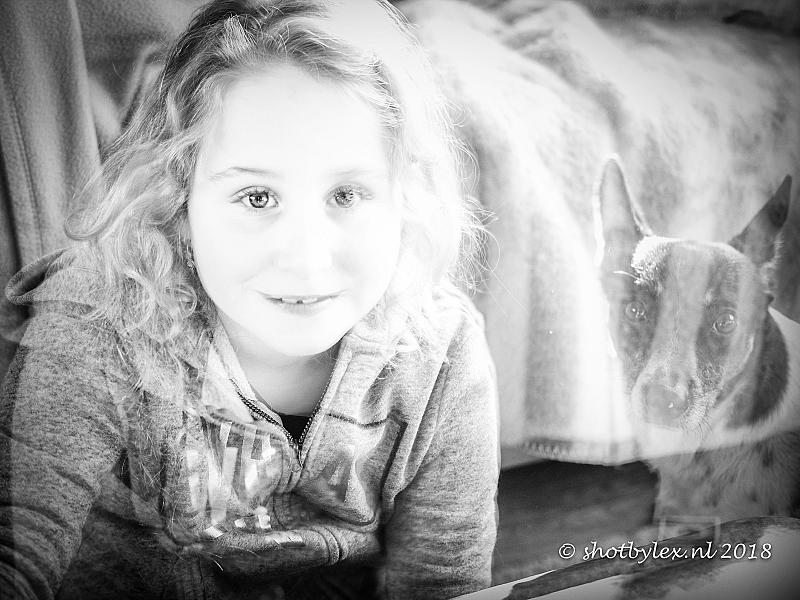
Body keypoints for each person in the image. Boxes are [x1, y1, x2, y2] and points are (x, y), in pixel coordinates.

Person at [0, 0, 499, 598]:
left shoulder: (440, 353)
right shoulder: (100, 319)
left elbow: (444, 583)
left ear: (405, 199)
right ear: (176, 201)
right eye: (257, 197)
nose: (306, 259)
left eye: (347, 194)